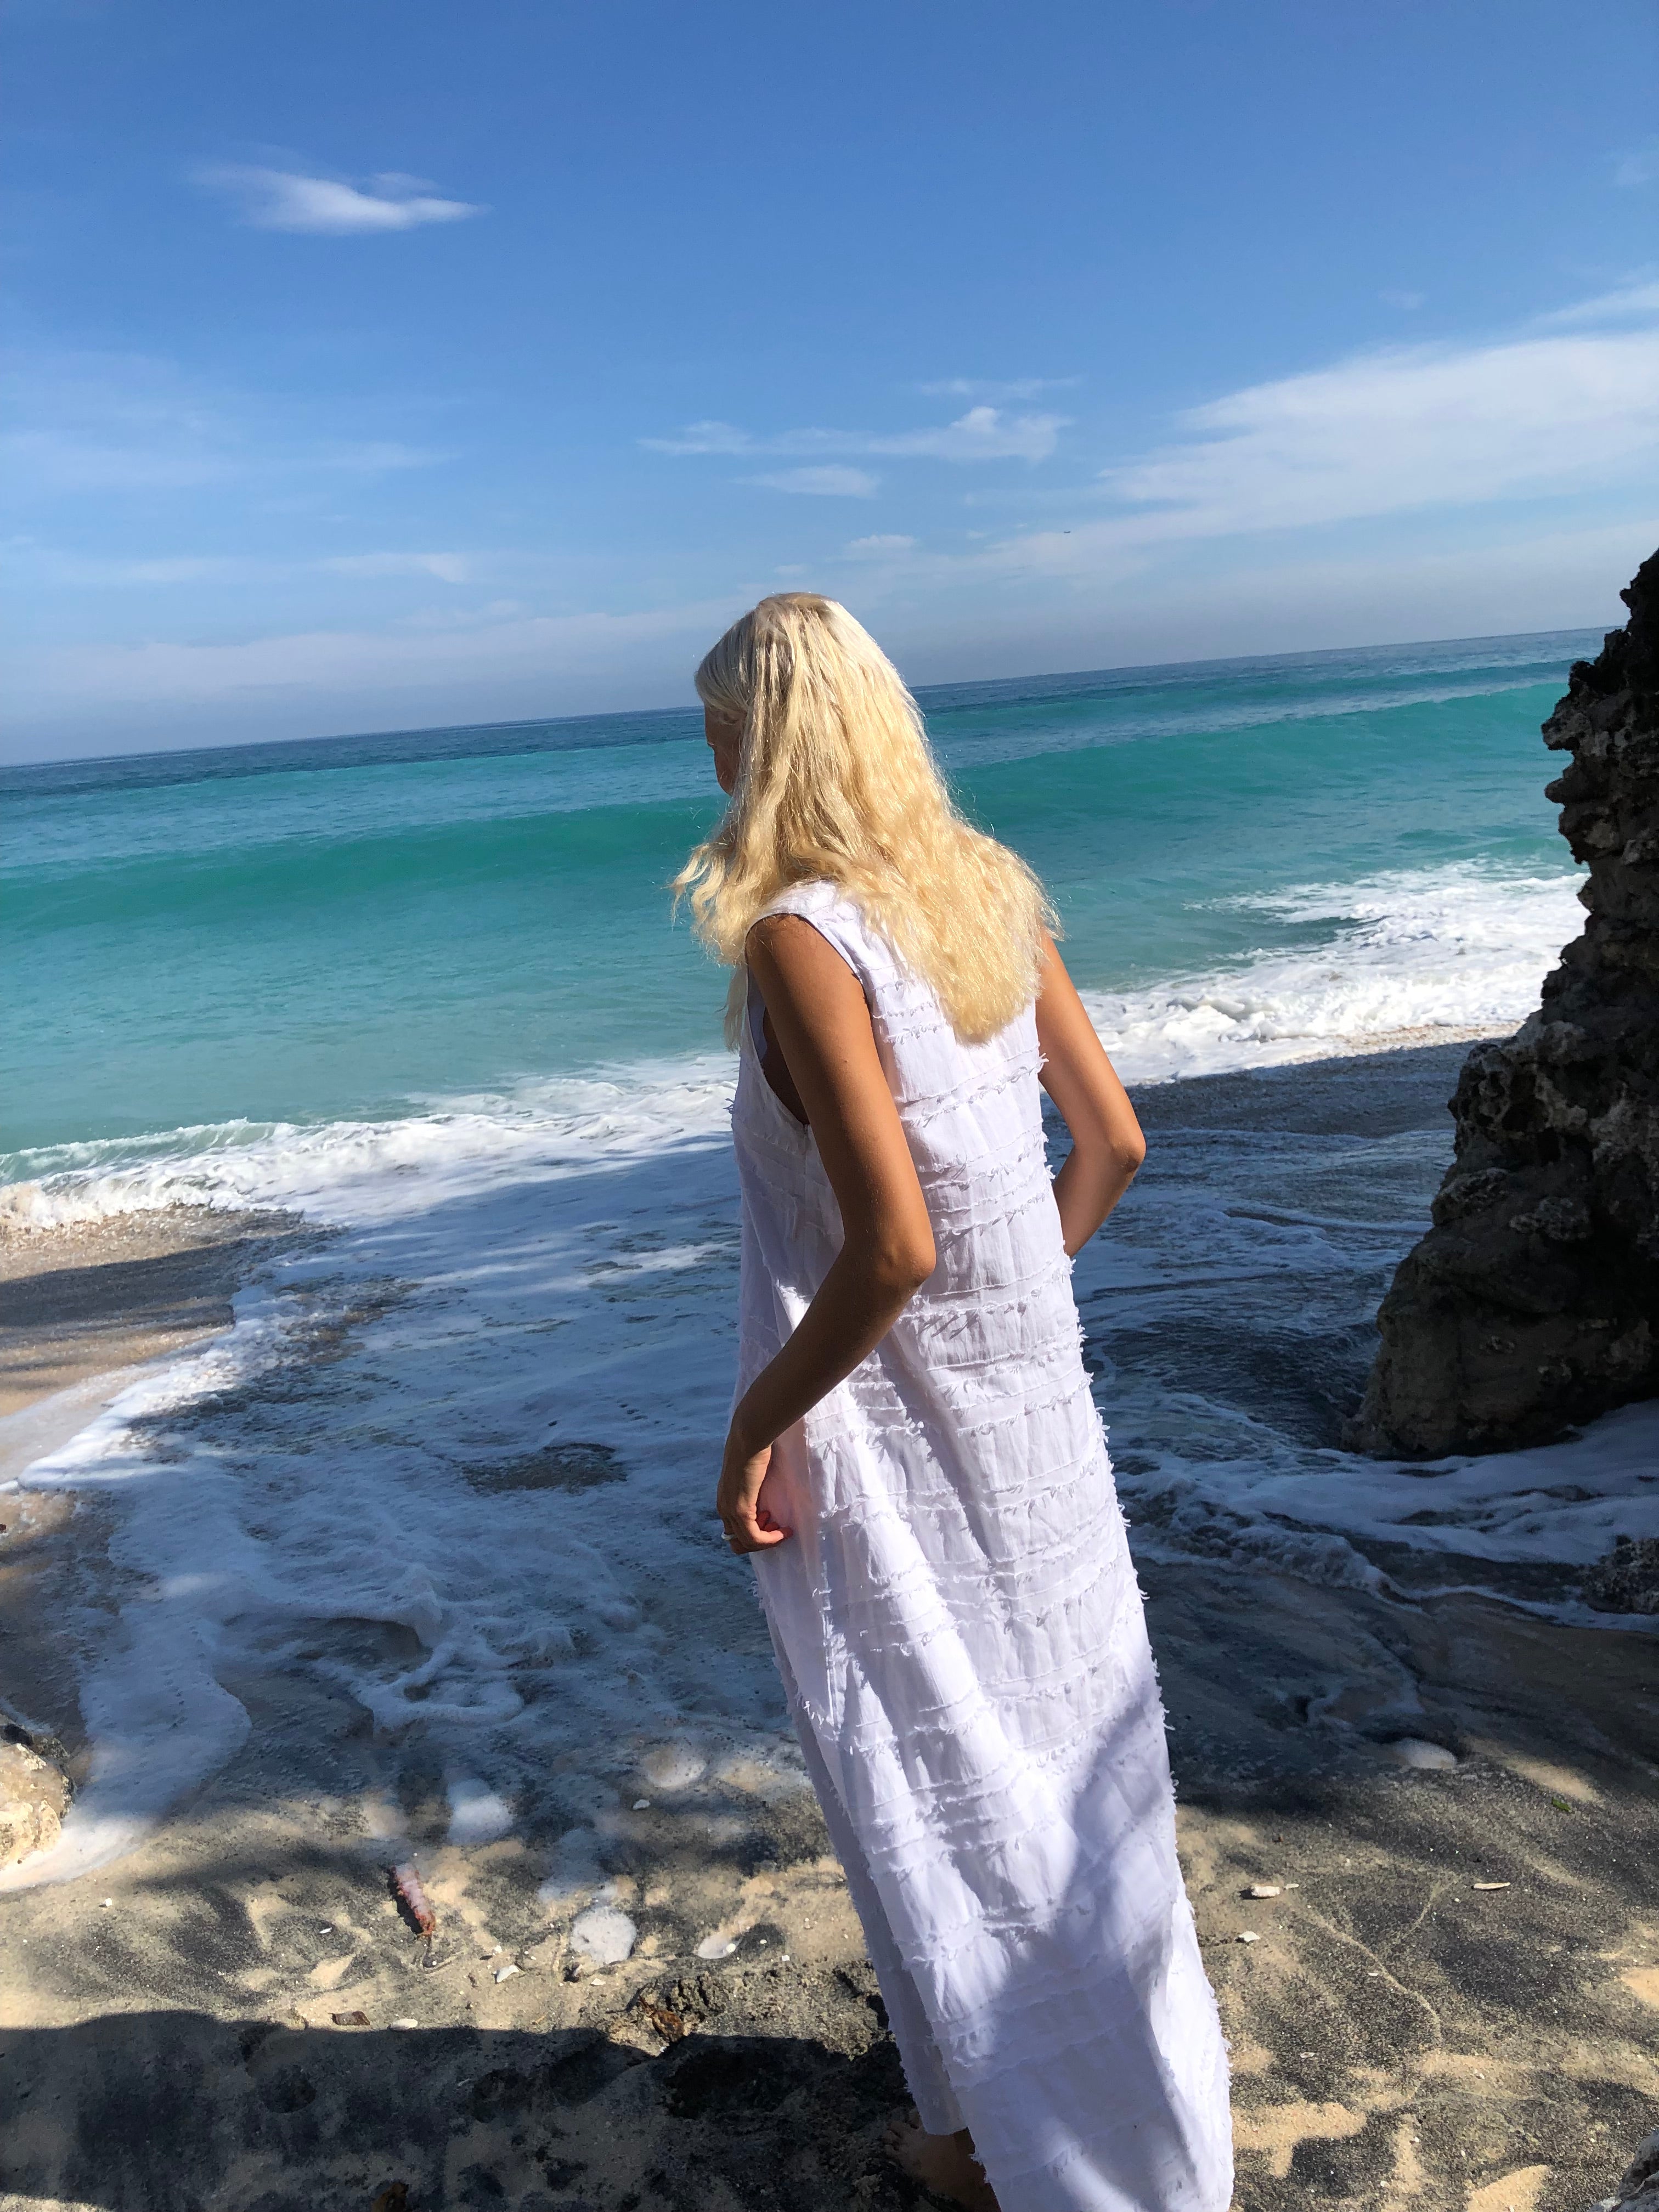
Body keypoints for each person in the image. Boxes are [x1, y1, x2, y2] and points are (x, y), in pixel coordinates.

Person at [675, 595, 1232, 2212]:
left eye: (717, 719)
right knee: (1074, 1783)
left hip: (889, 1443)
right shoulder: (988, 888)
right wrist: (1015, 1306)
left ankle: (1029, 2158)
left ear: (766, 732)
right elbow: (1110, 1144)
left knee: (933, 1780)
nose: (706, 748)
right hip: (1036, 1431)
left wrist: (754, 1424)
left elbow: (893, 1246)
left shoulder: (802, 935)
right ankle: (1003, 2129)